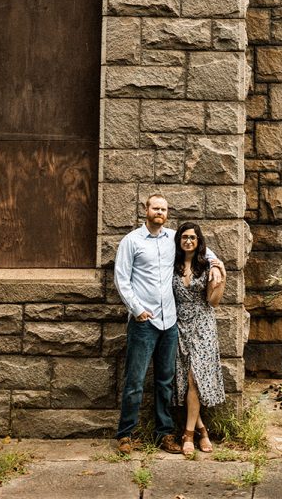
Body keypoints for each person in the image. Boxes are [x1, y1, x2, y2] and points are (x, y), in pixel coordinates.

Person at [113, 194, 225, 454]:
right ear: (146, 210)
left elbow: (201, 248)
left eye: (163, 209)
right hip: (145, 322)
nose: (159, 212)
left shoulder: (172, 239)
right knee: (135, 381)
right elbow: (121, 279)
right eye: (155, 208)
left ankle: (164, 434)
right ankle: (125, 435)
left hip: (170, 323)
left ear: (167, 212)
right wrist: (137, 309)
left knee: (166, 382)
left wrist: (217, 267)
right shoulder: (132, 241)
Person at [173, 220, 227, 458]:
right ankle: (203, 429)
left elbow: (213, 301)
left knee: (195, 378)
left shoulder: (206, 266)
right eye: (184, 237)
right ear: (179, 240)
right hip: (177, 324)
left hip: (203, 324)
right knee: (184, 381)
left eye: (193, 238)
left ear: (198, 241)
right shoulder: (171, 265)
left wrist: (221, 275)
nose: (188, 241)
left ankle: (188, 435)